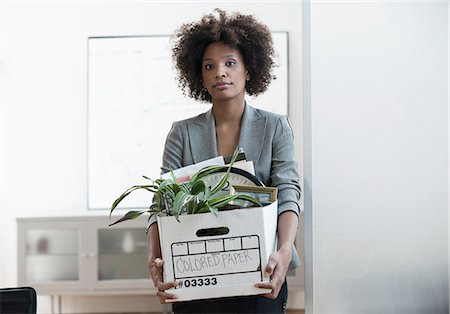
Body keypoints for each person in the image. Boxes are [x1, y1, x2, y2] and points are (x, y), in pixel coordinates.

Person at [146, 9, 301, 313]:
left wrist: (283, 252)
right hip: (195, 274)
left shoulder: (275, 127)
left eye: (230, 63)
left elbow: (287, 194)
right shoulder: (182, 133)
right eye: (209, 66)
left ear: (249, 71)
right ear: (199, 76)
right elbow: (161, 202)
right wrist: (155, 260)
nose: (220, 72)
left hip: (260, 273)